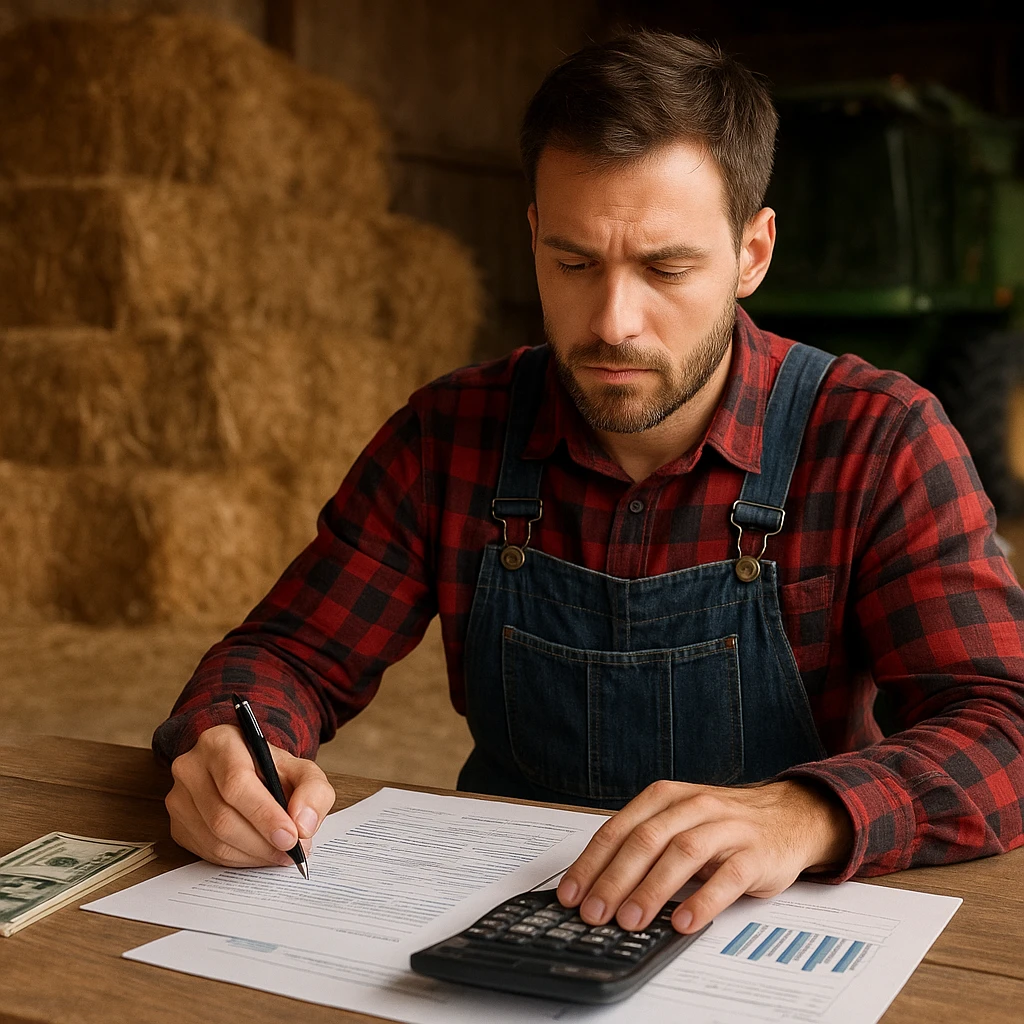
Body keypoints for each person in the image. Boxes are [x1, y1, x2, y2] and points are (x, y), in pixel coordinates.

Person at [154, 32, 1024, 939]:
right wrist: (229, 743)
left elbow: (1004, 723)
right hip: (496, 925)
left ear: (754, 252)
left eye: (666, 268)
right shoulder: (450, 433)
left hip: (759, 939)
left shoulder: (877, 439)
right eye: (574, 263)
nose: (612, 323)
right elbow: (289, 655)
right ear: (532, 234)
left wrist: (805, 814)